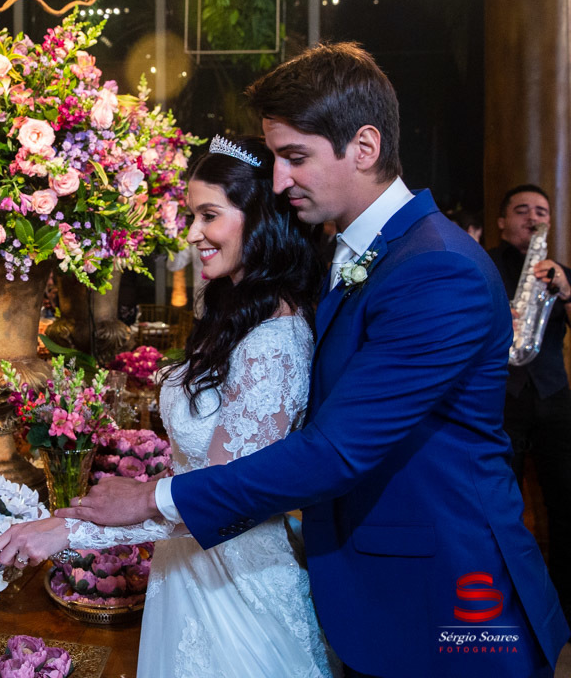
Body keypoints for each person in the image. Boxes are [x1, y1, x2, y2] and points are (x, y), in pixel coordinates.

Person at [41, 43, 567, 677]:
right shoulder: (355, 254)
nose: (279, 181)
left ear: (364, 147)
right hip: (367, 586)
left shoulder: (436, 269)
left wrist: (155, 497)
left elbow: (337, 451)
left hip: (445, 598)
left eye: (295, 158)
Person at [0, 136, 336, 676]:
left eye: (209, 215)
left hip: (236, 596)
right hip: (186, 570)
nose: (193, 233)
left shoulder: (276, 341)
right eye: (193, 215)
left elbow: (225, 500)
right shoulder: (232, 310)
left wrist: (71, 532)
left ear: (261, 219)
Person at [488, 184, 571, 625]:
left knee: (565, 502)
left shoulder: (561, 273)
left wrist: (566, 289)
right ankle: (508, 604)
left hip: (554, 399)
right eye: (522, 210)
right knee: (502, 503)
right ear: (503, 222)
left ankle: (563, 608)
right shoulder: (482, 267)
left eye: (541, 211)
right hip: (503, 400)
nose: (533, 218)